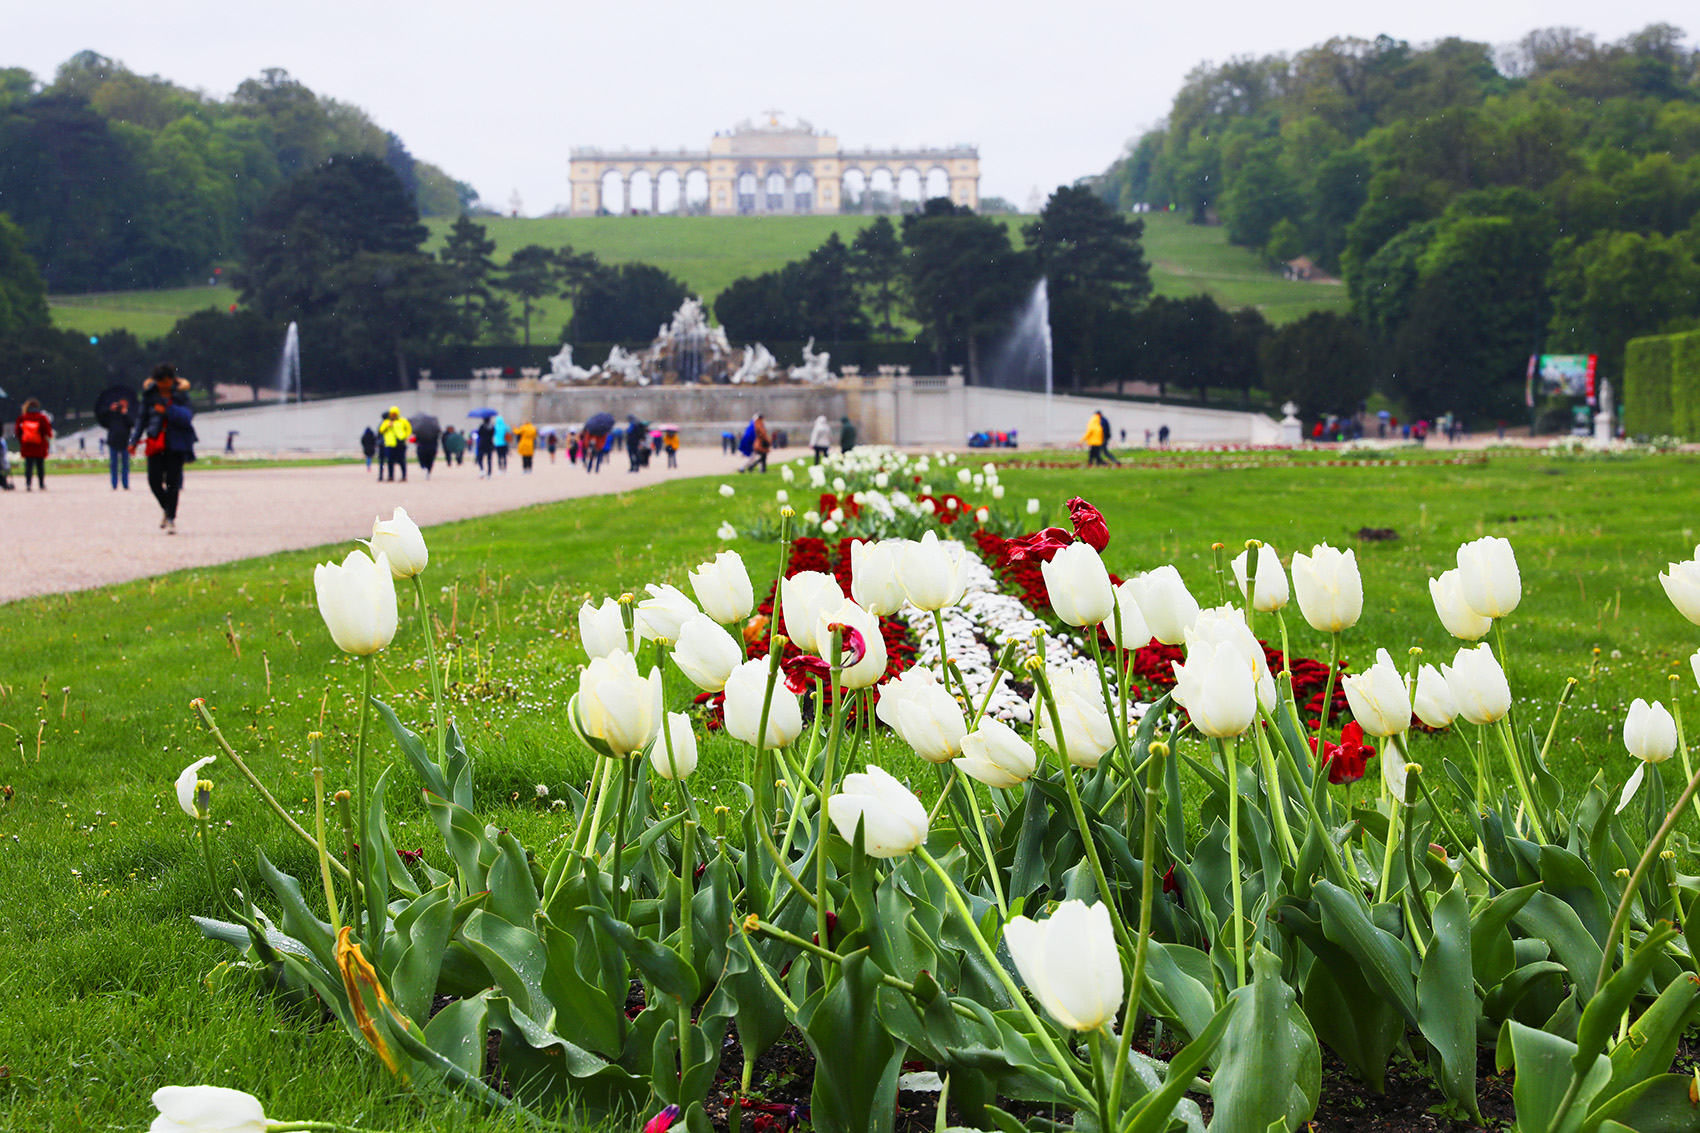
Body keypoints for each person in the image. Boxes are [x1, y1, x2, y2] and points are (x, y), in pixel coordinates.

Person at [132, 364, 197, 532]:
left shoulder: (181, 395)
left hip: (176, 443)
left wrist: (167, 410)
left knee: (172, 483)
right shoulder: (149, 396)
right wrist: (133, 442)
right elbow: (141, 420)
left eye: (167, 381)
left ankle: (171, 518)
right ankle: (167, 508)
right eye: (160, 382)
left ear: (172, 380)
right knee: (153, 481)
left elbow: (187, 416)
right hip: (156, 442)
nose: (164, 385)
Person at [98, 390, 136, 490]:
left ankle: (125, 484)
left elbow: (133, 423)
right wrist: (110, 409)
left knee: (125, 464)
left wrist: (125, 413)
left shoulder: (128, 414)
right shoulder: (112, 414)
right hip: (113, 441)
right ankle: (114, 484)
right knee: (113, 464)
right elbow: (102, 417)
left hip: (125, 442)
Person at [14, 397, 52, 490]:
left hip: (27, 445)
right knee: (40, 466)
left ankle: (28, 484)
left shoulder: (23, 418)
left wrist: (22, 440)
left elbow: (18, 432)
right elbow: (47, 431)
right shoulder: (41, 417)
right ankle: (41, 484)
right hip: (39, 445)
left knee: (28, 466)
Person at [379, 406, 411, 481]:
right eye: (392, 414)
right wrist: (387, 425)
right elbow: (381, 430)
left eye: (394, 414)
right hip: (389, 444)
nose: (393, 415)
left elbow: (409, 429)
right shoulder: (386, 422)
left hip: (400, 444)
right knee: (390, 461)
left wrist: (405, 437)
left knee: (402, 460)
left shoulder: (403, 421)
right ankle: (390, 476)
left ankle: (404, 476)